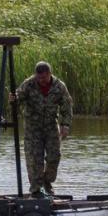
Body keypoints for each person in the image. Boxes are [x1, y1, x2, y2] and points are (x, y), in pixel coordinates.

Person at [10, 61, 73, 197]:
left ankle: (47, 182)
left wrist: (65, 125)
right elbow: (18, 99)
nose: (41, 81)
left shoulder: (59, 86)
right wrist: (14, 99)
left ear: (50, 74)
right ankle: (36, 189)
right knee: (34, 159)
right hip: (33, 129)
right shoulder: (29, 84)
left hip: (51, 127)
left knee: (54, 157)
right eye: (39, 78)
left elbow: (67, 106)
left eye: (44, 78)